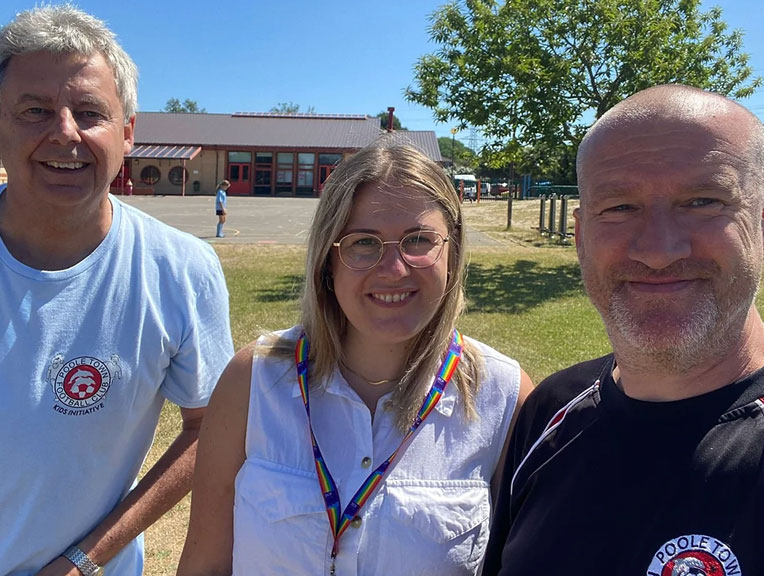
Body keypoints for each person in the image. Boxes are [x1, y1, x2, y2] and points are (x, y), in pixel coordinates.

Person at [482, 85, 764, 575]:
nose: (659, 249)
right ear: (580, 235)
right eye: (619, 207)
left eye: (702, 201)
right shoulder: (549, 415)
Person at [0, 5, 234, 576]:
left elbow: (208, 429)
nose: (65, 132)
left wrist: (85, 561)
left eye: (90, 112)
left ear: (127, 132)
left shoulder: (180, 270)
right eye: (35, 110)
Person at [178, 141, 533, 576]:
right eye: (363, 243)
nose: (394, 269)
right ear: (329, 260)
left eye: (418, 240)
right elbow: (206, 565)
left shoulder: (504, 396)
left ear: (453, 252)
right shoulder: (252, 380)